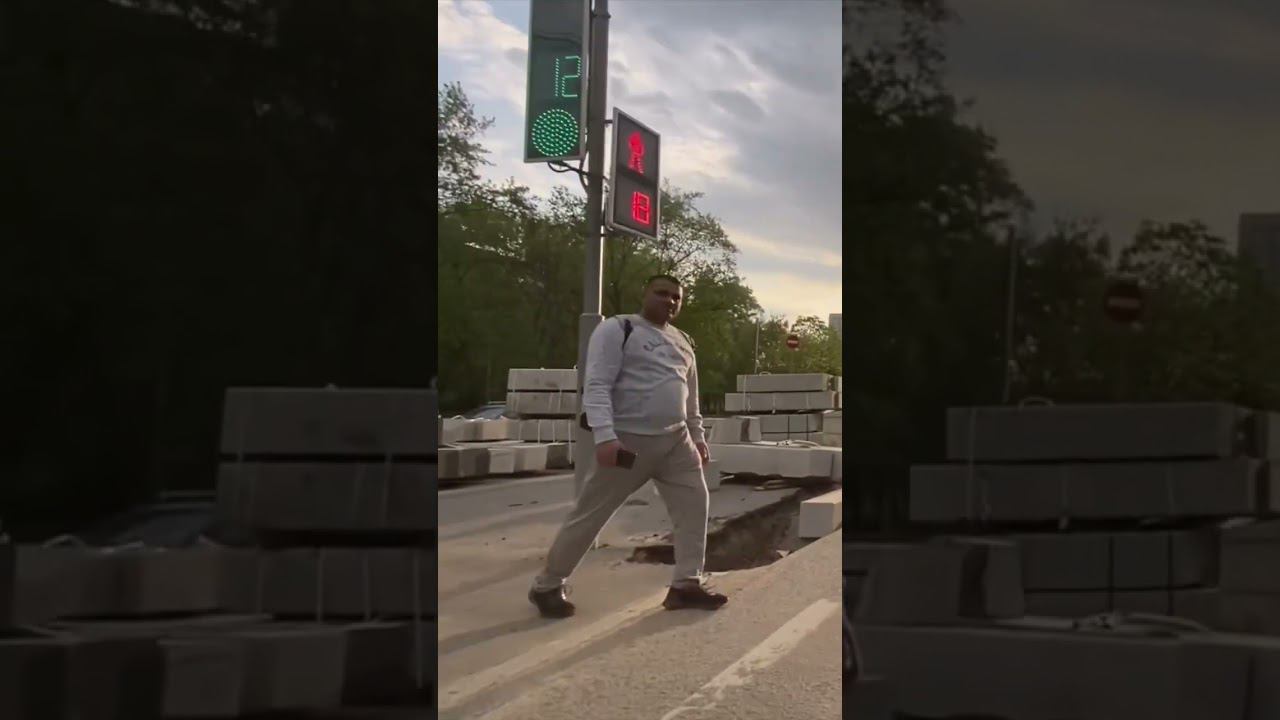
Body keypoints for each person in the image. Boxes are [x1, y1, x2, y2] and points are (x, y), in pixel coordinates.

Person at [528, 274, 728, 618]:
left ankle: (686, 584)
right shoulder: (619, 329)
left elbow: (690, 398)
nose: (670, 301)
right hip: (627, 441)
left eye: (676, 297)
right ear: (645, 294)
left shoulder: (683, 341)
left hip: (676, 442)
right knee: (591, 513)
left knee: (695, 506)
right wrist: (605, 436)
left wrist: (698, 438)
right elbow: (597, 384)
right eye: (662, 293)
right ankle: (547, 585)